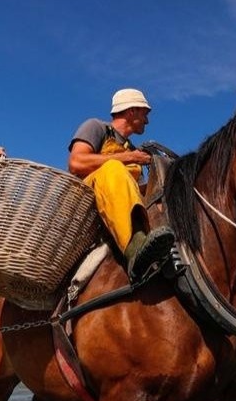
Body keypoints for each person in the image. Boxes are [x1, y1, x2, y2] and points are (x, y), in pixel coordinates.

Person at [68, 88, 174, 282]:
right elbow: (76, 163)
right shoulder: (96, 126)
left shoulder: (132, 149)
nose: (147, 120)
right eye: (145, 113)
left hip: (118, 208)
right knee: (113, 168)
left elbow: (130, 191)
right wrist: (129, 158)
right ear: (131, 110)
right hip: (87, 201)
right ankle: (136, 250)